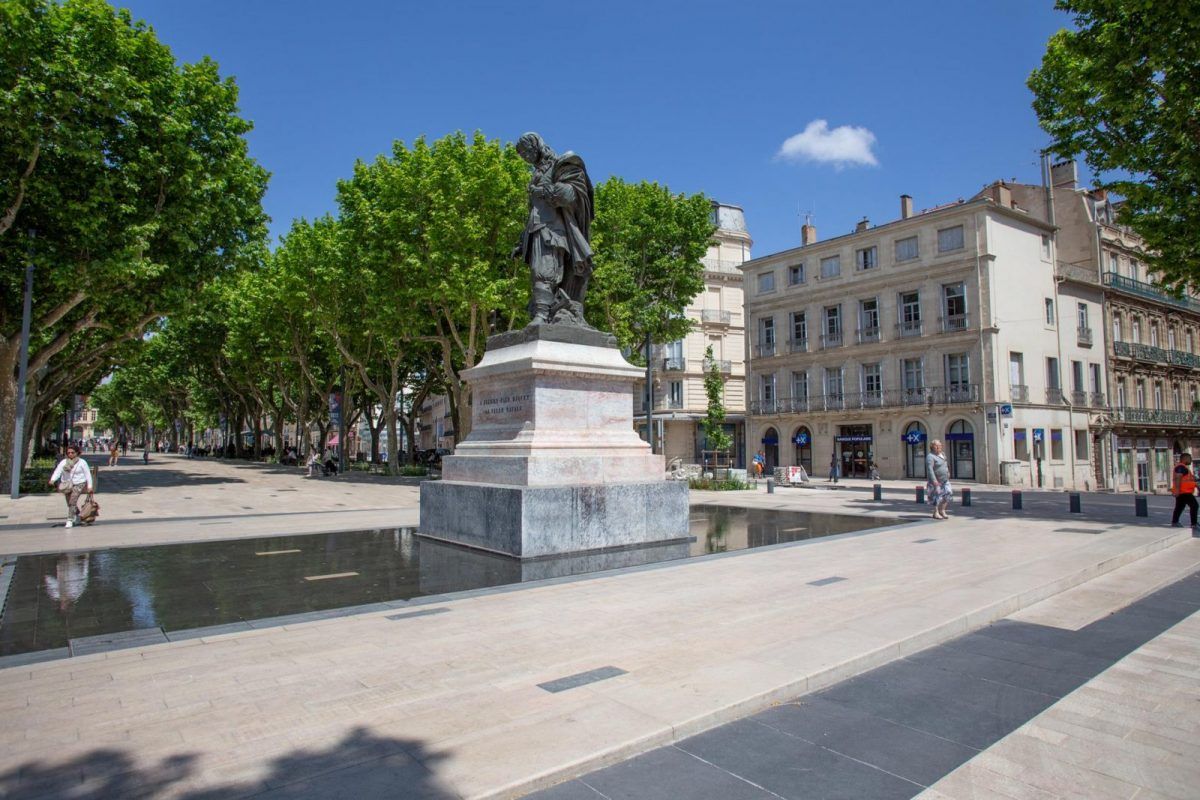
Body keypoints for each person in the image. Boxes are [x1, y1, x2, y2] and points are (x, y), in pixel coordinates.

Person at [512, 132, 595, 326]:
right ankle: (546, 313)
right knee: (537, 271)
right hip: (536, 230)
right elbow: (534, 211)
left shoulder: (561, 165)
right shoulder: (537, 174)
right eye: (522, 154)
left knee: (544, 270)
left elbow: (569, 194)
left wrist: (544, 191)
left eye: (527, 151)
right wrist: (522, 242)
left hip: (554, 231)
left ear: (537, 147)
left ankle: (542, 315)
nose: (525, 157)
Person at [48, 445, 94, 529]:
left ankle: (69, 520)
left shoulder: (82, 462)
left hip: (79, 483)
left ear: (77, 453)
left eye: (72, 452)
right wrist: (53, 479)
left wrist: (90, 486)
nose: (70, 454)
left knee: (73, 500)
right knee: (69, 502)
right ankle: (78, 515)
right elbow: (58, 471)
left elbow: (88, 474)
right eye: (68, 452)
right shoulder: (64, 462)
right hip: (67, 484)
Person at [926, 439, 953, 520]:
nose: (939, 447)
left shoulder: (943, 454)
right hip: (936, 481)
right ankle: (936, 512)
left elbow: (945, 464)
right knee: (936, 497)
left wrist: (948, 472)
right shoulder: (930, 456)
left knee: (948, 493)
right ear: (932, 447)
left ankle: (942, 510)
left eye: (940, 445)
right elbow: (930, 469)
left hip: (945, 479)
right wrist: (934, 480)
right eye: (936, 445)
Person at [1170, 452, 1198, 528]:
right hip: (1184, 492)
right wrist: (1177, 491)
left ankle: (1175, 522)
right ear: (1185, 458)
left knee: (1179, 507)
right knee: (1194, 505)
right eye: (1190, 458)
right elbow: (1178, 478)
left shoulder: (1183, 467)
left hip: (1183, 491)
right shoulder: (1181, 467)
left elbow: (1188, 480)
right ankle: (1194, 524)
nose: (1191, 460)